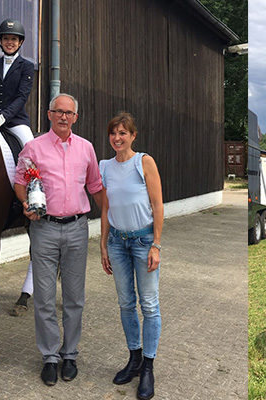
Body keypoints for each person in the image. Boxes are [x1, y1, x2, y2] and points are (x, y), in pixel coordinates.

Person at [13, 93, 104, 386]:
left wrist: (114, 217)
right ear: (49, 115)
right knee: (44, 296)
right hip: (45, 229)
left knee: (75, 297)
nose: (64, 116)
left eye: (69, 113)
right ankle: (50, 356)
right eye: (58, 111)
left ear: (75, 118)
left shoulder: (86, 149)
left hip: (77, 228)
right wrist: (25, 204)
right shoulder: (33, 148)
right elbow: (20, 182)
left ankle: (70, 354)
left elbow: (95, 186)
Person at [99, 112, 163, 400]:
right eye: (114, 133)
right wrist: (103, 244)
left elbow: (157, 204)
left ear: (133, 136)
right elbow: (104, 209)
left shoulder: (144, 162)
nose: (117, 138)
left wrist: (156, 245)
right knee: (126, 304)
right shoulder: (105, 167)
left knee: (149, 304)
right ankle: (133, 359)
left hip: (143, 241)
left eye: (123, 133)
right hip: (117, 242)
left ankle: (148, 366)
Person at [0, 18, 36, 315]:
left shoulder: (27, 67)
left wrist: (4, 116)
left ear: (20, 43)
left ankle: (36, 200)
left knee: (32, 154)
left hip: (17, 122)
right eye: (6, 38)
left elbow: (22, 97)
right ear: (0, 41)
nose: (10, 42)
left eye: (14, 39)